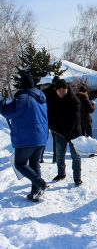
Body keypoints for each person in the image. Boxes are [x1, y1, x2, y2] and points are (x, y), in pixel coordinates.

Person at [0, 72, 48, 201]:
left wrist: (1, 103)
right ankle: (36, 193)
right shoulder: (41, 97)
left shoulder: (24, 98)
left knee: (20, 164)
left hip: (27, 138)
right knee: (34, 163)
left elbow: (7, 113)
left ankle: (40, 183)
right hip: (41, 137)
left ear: (22, 85)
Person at [52, 79, 83, 186]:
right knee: (60, 154)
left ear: (66, 89)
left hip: (74, 133)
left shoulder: (74, 100)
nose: (61, 92)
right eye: (58, 90)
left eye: (63, 90)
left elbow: (74, 120)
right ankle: (61, 174)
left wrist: (68, 134)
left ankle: (77, 178)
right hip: (60, 133)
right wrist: (52, 126)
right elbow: (52, 116)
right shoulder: (55, 100)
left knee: (75, 156)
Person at [42, 75, 60, 163]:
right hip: (55, 118)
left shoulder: (45, 91)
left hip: (44, 117)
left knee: (43, 138)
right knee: (55, 139)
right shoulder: (59, 93)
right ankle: (55, 158)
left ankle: (40, 157)